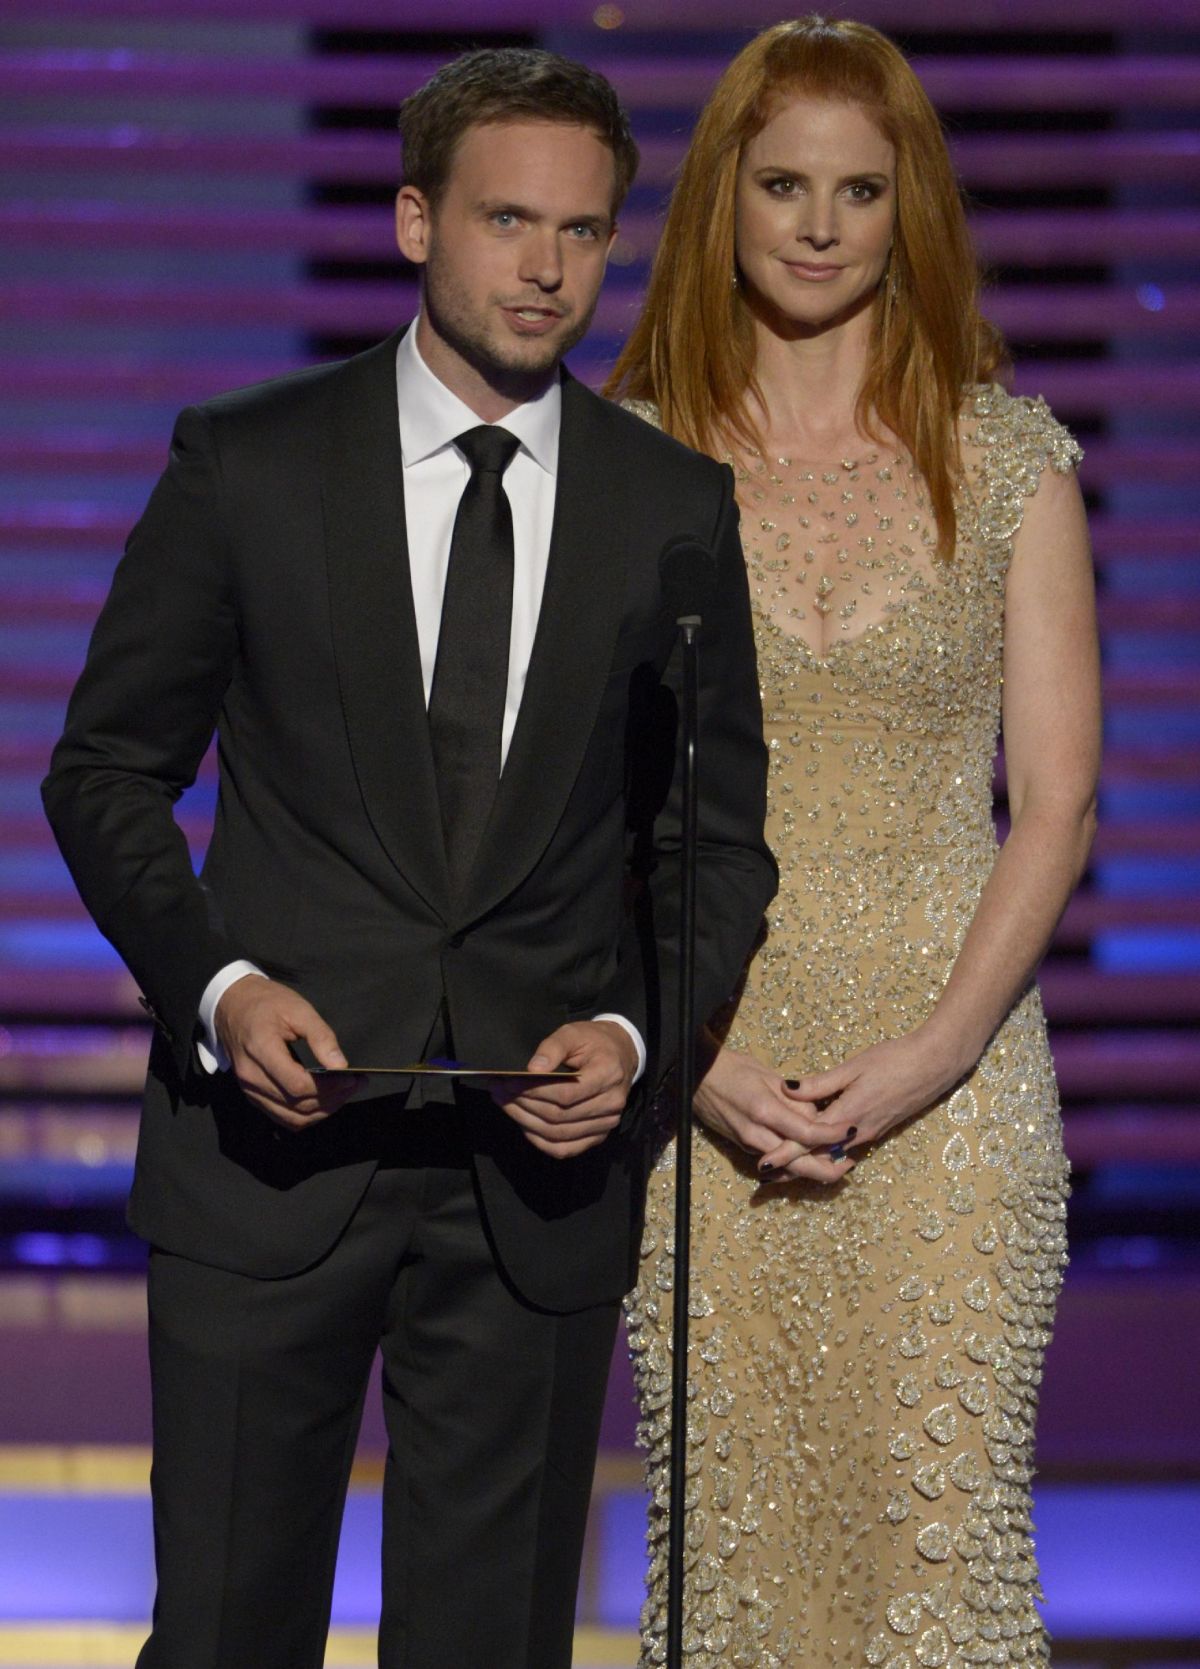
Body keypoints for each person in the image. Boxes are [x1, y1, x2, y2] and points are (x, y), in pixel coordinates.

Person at [42, 47, 776, 1669]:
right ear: (411, 220)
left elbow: (714, 842)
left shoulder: (672, 510)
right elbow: (101, 771)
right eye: (509, 219)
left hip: (535, 1182)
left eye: (584, 232)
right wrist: (220, 989)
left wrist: (642, 1032)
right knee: (230, 1631)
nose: (546, 267)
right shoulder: (251, 465)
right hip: (266, 1159)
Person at [608, 15, 1100, 1665]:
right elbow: (579, 806)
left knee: (936, 1581)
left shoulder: (1013, 464)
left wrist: (935, 1055)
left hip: (951, 1098)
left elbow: (1059, 802)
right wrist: (691, 1051)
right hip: (706, 1078)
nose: (820, 226)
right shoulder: (627, 456)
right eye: (784, 185)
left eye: (861, 189)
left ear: (913, 209)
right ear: (722, 204)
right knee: (738, 1583)